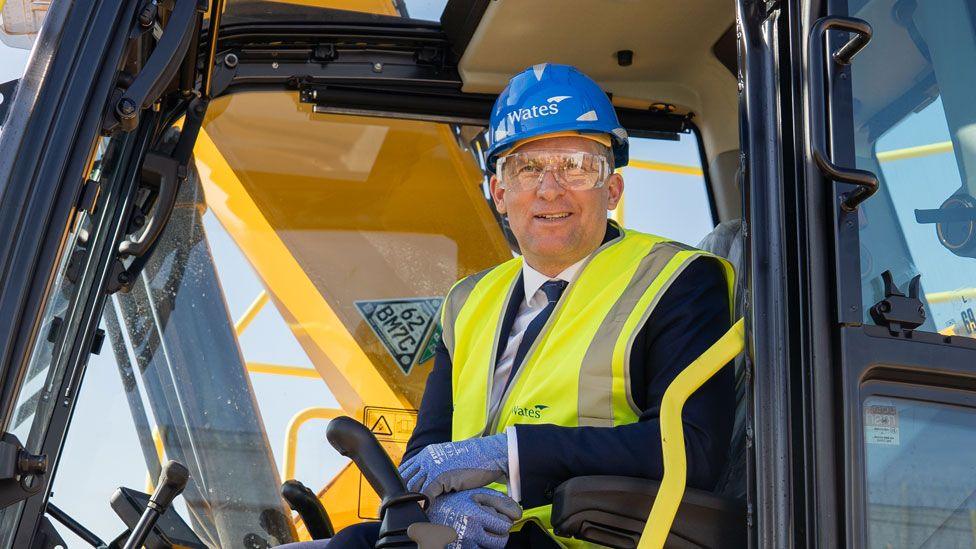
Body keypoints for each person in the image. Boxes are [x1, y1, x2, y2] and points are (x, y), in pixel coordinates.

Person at [282, 63, 735, 549]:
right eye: (528, 168)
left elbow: (693, 450)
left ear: (613, 190)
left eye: (576, 167)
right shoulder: (468, 301)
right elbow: (430, 449)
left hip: (586, 537)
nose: (550, 188)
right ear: (500, 194)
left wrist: (507, 454)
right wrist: (442, 504)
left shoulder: (677, 280)